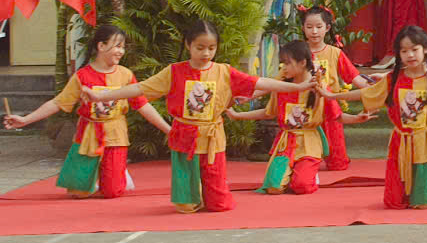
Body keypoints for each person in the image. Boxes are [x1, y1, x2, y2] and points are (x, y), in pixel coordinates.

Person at [83, 21, 311, 213]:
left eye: (211, 48)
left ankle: (210, 193)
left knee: (219, 205)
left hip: (212, 138)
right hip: (185, 137)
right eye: (200, 48)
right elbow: (139, 88)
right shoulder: (174, 71)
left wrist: (296, 87)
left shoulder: (224, 71)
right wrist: (101, 96)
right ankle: (191, 195)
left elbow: (260, 82)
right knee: (186, 205)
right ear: (188, 45)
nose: (206, 54)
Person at [320, 26, 427, 209]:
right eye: (404, 51)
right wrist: (333, 96)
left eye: (414, 49)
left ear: (425, 49)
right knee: (393, 203)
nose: (410, 55)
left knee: (425, 203)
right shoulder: (393, 79)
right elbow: (365, 93)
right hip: (400, 142)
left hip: (424, 142)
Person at [3, 25, 171, 199]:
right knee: (78, 192)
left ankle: (114, 173)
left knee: (112, 192)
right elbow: (58, 102)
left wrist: (168, 130)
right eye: (117, 46)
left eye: (123, 47)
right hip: (88, 136)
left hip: (116, 136)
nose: (121, 51)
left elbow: (143, 105)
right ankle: (94, 176)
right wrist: (25, 120)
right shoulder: (82, 76)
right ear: (101, 46)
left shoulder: (126, 75)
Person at [226, 41, 375, 195]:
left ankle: (308, 174)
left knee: (302, 186)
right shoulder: (281, 87)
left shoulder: (320, 88)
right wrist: (238, 116)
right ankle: (293, 172)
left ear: (303, 63)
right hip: (286, 144)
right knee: (273, 188)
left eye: (287, 63)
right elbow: (269, 112)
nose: (283, 67)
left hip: (309, 143)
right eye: (282, 63)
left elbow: (337, 116)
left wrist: (357, 118)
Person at [298, 5, 379, 170]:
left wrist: (376, 90)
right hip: (304, 105)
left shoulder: (335, 53)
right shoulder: (298, 52)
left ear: (327, 28)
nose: (314, 31)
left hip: (330, 107)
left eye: (319, 27)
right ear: (303, 28)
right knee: (299, 158)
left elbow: (355, 78)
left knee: (338, 164)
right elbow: (284, 78)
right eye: (309, 27)